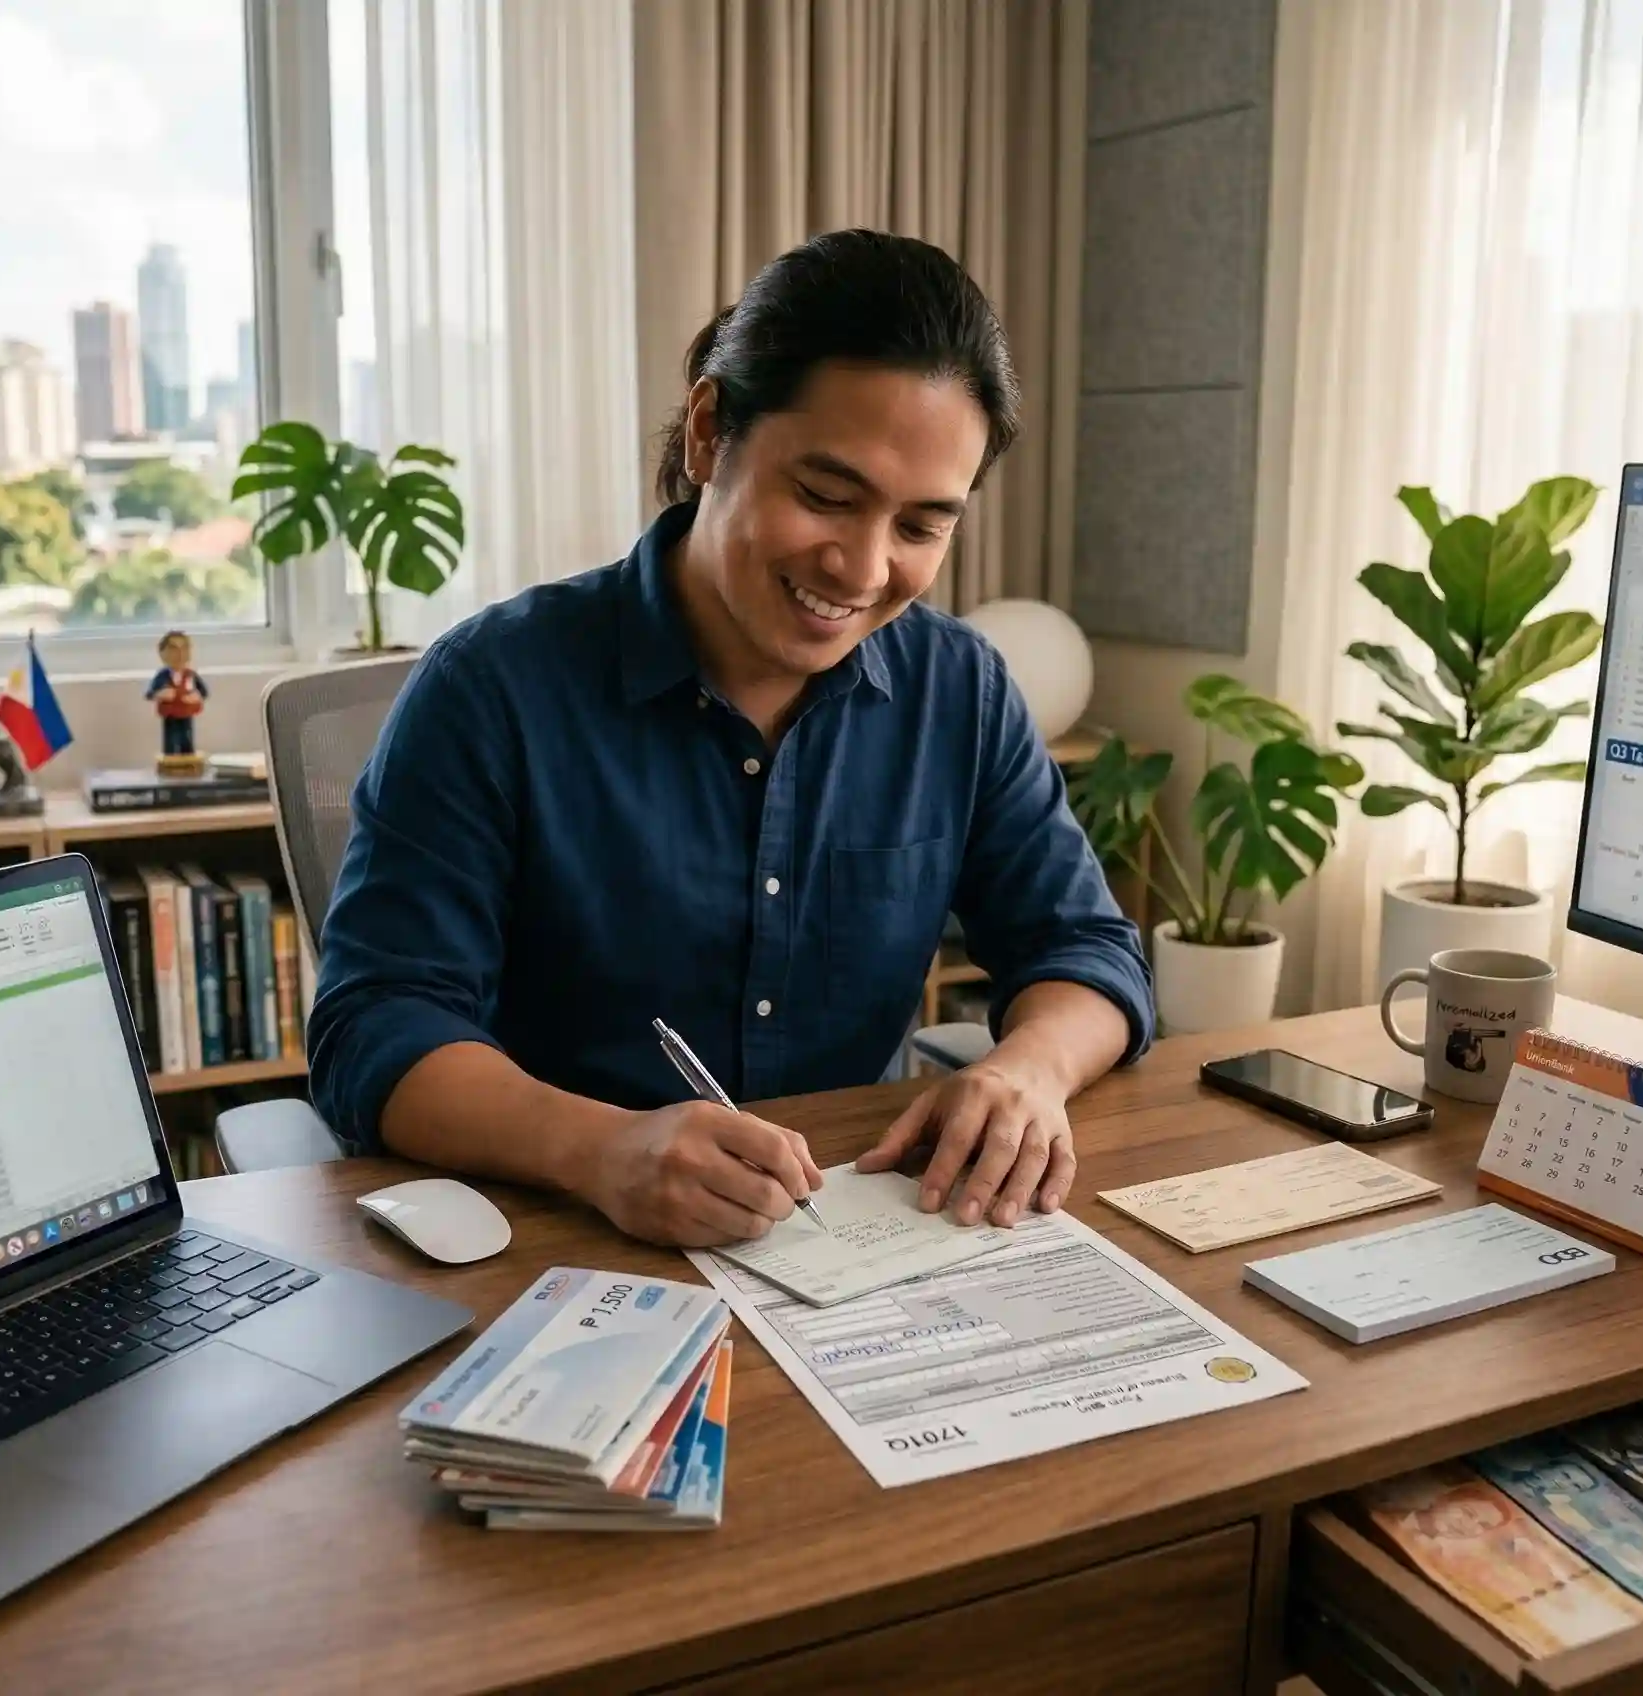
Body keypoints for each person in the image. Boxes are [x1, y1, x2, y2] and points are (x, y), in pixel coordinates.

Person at [308, 229, 1152, 1249]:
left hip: (858, 1242)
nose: (862, 566)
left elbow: (1083, 950)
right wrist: (599, 1148)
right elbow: (378, 1027)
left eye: (921, 527)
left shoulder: (958, 689)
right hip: (560, 1242)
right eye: (826, 497)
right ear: (709, 432)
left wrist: (1027, 1070)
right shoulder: (490, 688)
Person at [145, 630, 208, 760]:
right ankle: (171, 761)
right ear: (163, 653)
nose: (179, 654)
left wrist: (195, 697)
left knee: (187, 740)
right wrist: (161, 694)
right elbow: (149, 693)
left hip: (186, 714)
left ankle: (188, 760)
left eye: (184, 648)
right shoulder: (162, 677)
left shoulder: (191, 675)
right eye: (173, 649)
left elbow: (204, 692)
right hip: (170, 715)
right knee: (171, 740)